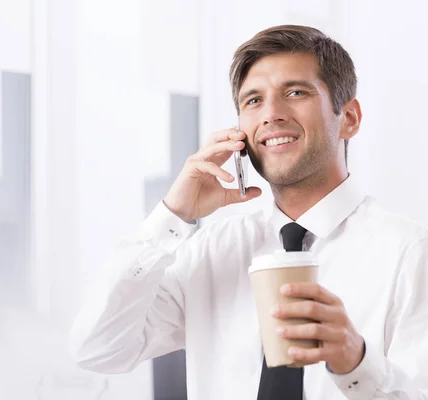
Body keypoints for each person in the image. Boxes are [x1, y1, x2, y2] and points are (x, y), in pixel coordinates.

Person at [69, 25, 428, 399]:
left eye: (295, 92)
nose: (271, 114)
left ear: (349, 118)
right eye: (253, 101)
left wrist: (357, 363)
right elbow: (97, 348)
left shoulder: (411, 253)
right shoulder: (210, 252)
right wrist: (172, 215)